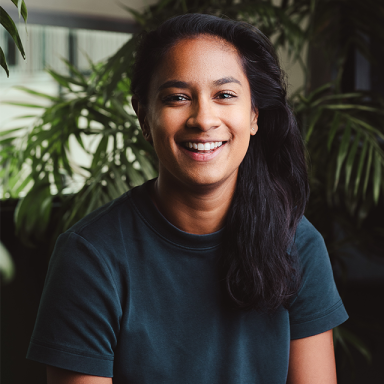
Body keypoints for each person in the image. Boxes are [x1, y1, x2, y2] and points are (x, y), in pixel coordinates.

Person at [26, 13, 348, 384]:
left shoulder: (298, 243)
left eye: (225, 95)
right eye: (177, 97)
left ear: (254, 115)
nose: (203, 118)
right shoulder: (90, 257)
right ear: (144, 117)